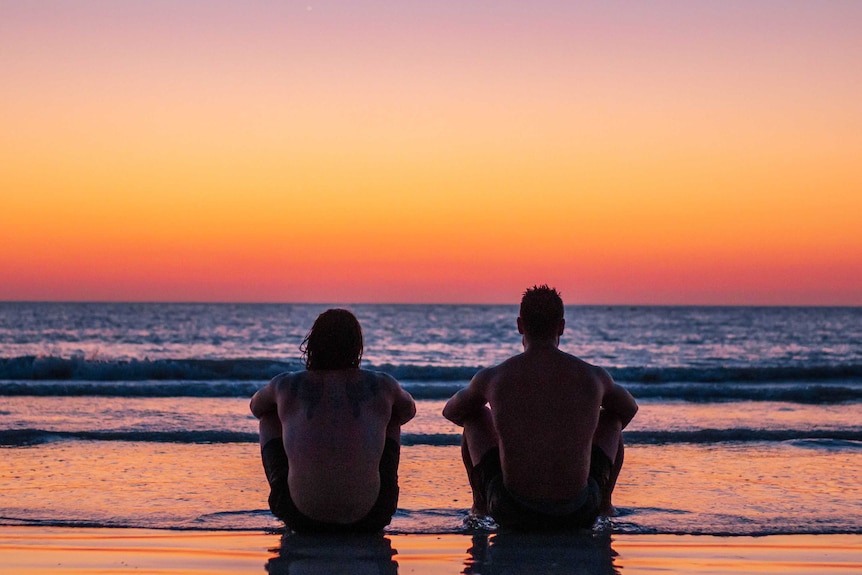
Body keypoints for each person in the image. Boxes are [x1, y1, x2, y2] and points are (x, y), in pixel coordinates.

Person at [443, 285, 638, 530]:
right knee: (611, 418)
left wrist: (508, 428)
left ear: (520, 325)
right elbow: (629, 409)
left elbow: (451, 411)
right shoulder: (593, 377)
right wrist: (579, 431)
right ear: (562, 327)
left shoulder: (495, 377)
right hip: (578, 511)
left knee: (476, 415)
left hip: (512, 511)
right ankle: (605, 505)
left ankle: (479, 508)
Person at [250, 308, 416, 533]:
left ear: (313, 345)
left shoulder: (286, 384)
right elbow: (408, 411)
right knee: (392, 417)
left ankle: (288, 490)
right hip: (372, 516)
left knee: (269, 416)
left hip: (300, 518)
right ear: (356, 347)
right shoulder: (381, 384)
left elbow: (256, 407)